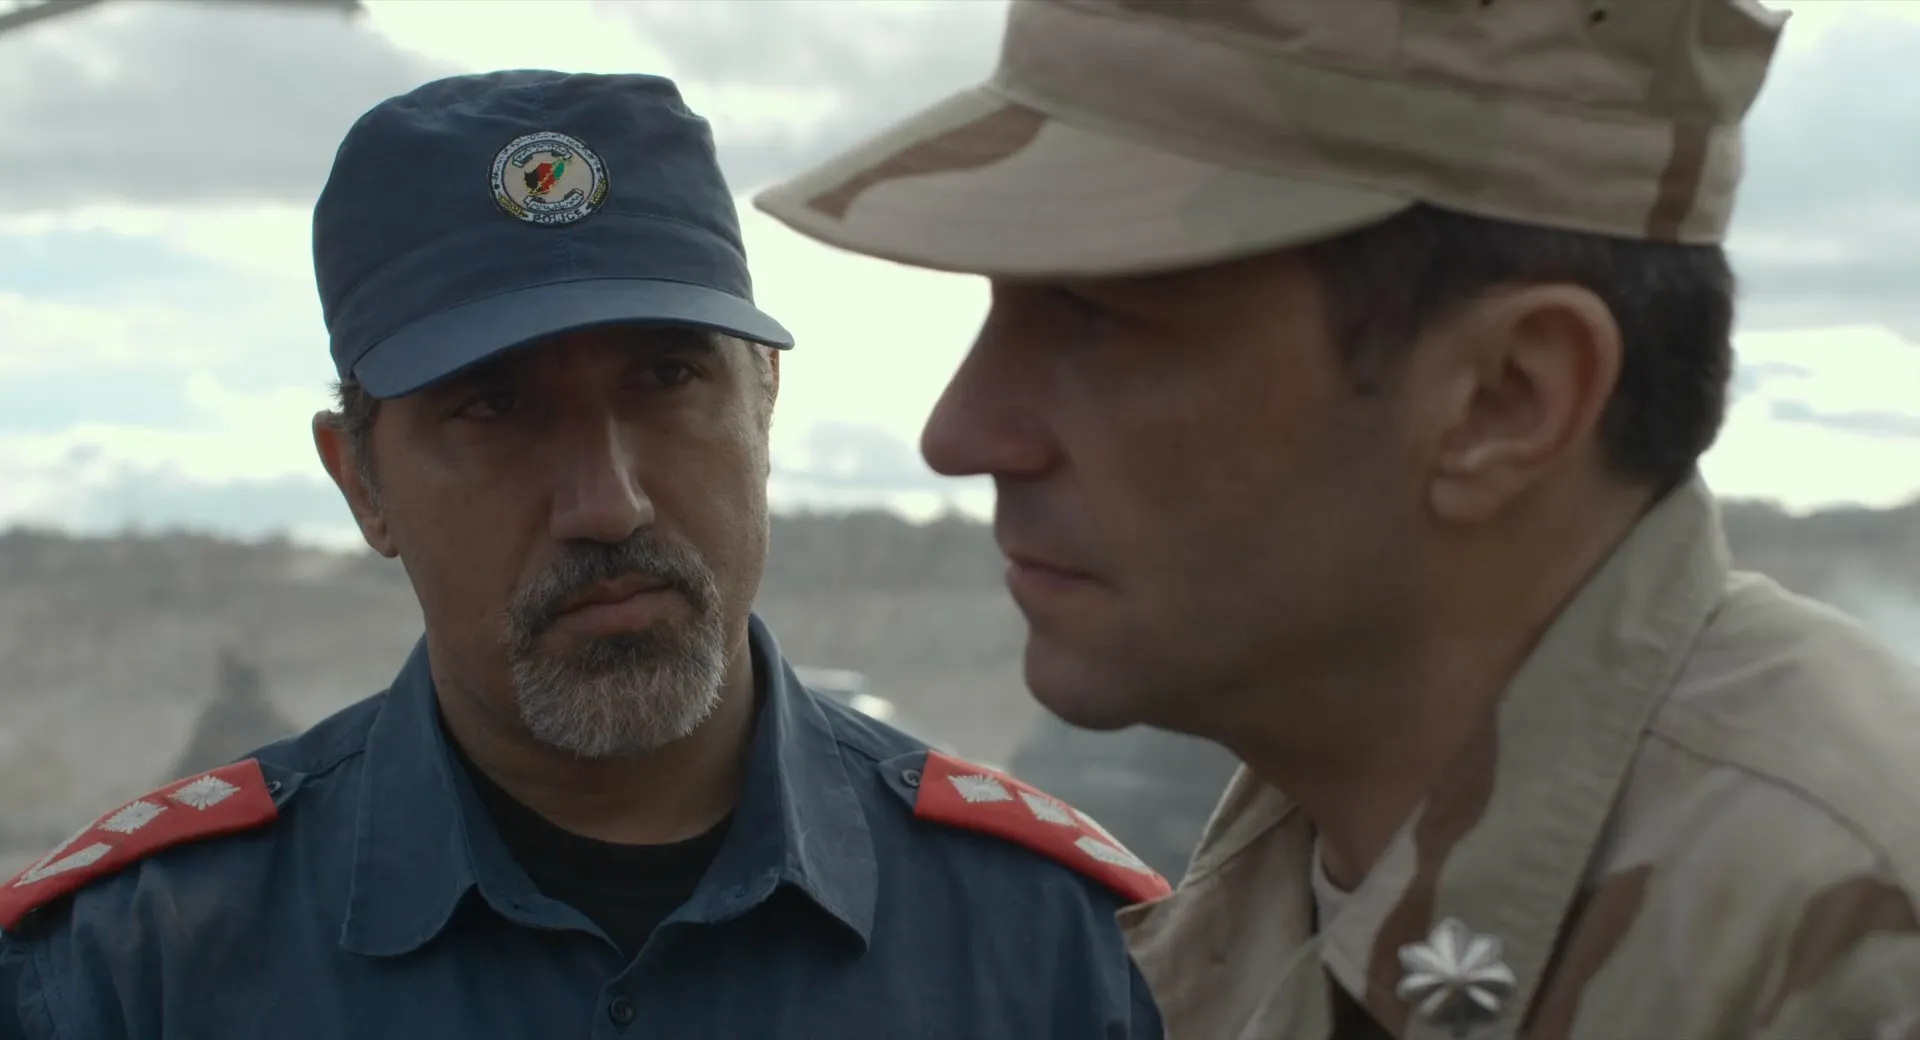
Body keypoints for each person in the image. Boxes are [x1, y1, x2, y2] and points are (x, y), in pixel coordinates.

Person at [753, 1, 1920, 1037]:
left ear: (1504, 399)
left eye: (1097, 317)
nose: (959, 432)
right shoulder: (1309, 859)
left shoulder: (1842, 948)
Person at [0, 71, 1169, 1038]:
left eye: (666, 377)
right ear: (361, 481)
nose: (607, 503)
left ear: (763, 402)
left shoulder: (1058, 945)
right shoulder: (124, 970)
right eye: (495, 407)